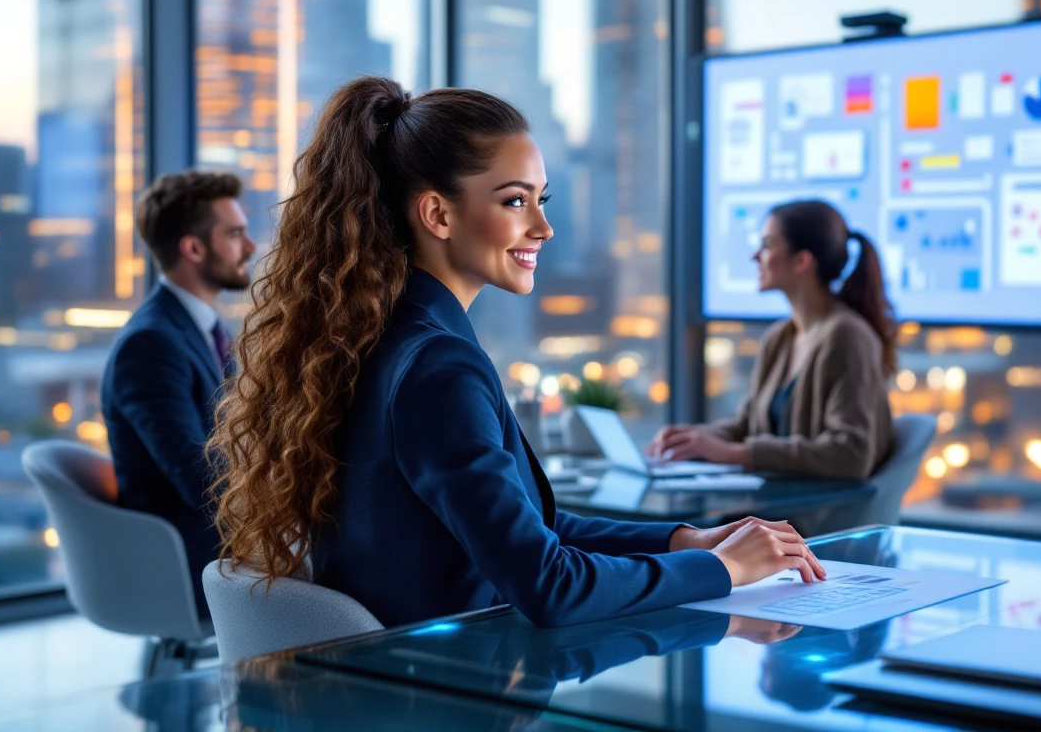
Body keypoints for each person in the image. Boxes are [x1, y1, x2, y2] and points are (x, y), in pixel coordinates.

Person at [209, 76, 825, 629]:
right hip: (447, 688)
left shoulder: (379, 334)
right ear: (437, 214)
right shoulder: (437, 364)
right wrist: (724, 572)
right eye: (514, 201)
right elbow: (548, 585)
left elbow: (527, 531)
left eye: (542, 199)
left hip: (399, 673)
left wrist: (689, 541)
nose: (543, 227)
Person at [648, 200, 895, 480]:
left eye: (767, 245)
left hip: (813, 516)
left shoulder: (847, 337)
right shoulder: (780, 338)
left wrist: (735, 454)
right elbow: (746, 425)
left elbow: (851, 453)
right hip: (766, 508)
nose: (755, 256)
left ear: (802, 260)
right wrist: (689, 439)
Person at [102, 170, 256, 619]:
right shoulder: (150, 345)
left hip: (215, 544)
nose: (249, 247)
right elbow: (199, 479)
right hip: (188, 558)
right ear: (193, 248)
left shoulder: (201, 328)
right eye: (235, 234)